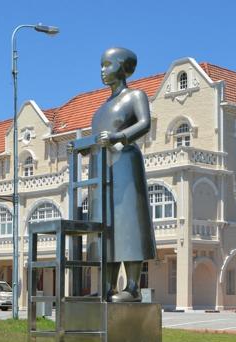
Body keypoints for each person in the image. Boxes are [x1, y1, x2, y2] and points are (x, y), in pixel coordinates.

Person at [87, 47, 157, 302]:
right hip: (103, 169)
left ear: (122, 66)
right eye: (101, 65)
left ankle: (133, 287)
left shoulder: (135, 96)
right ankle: (107, 286)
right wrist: (82, 148)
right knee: (107, 227)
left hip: (126, 163)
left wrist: (119, 136)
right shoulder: (101, 108)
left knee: (129, 224)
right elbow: (96, 139)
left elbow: (144, 123)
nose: (102, 70)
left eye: (107, 64)